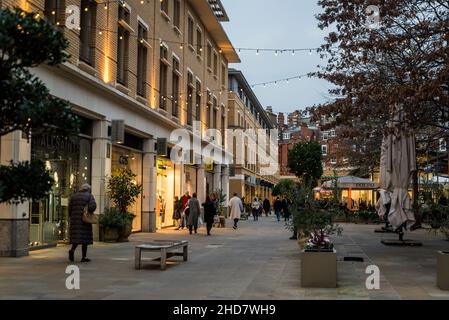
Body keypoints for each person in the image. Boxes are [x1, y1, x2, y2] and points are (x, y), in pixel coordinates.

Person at [68, 184, 97, 263]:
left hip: (75, 220)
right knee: (85, 240)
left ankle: (72, 250)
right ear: (88, 189)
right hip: (85, 221)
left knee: (76, 238)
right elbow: (92, 207)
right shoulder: (89, 196)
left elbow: (69, 209)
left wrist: (72, 216)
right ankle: (83, 257)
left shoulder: (73, 196)